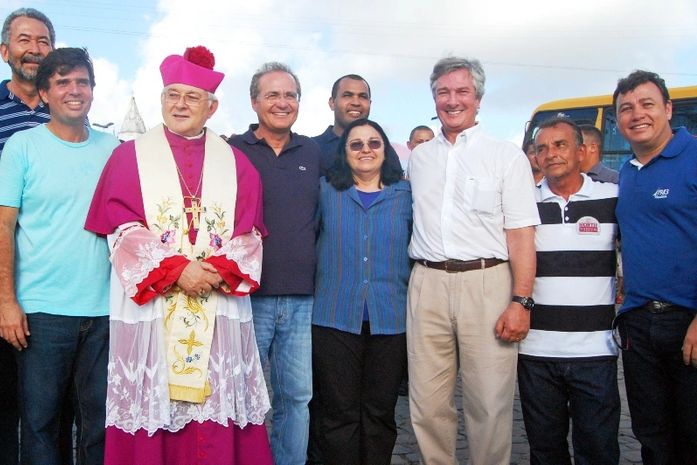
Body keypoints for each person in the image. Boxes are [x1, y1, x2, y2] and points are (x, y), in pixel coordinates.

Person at [84, 46, 272, 465]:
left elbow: (251, 235)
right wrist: (177, 271)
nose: (180, 104)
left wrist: (212, 272)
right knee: (152, 408)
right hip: (153, 309)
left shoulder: (237, 164)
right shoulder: (129, 157)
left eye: (191, 97)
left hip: (217, 301)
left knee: (215, 410)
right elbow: (121, 229)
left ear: (211, 106)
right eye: (172, 94)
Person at [407, 56, 539, 465]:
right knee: (428, 405)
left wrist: (521, 301)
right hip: (427, 283)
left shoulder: (505, 157)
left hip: (488, 284)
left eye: (462, 91)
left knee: (489, 404)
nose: (452, 100)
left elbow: (521, 236)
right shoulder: (420, 158)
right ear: (433, 98)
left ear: (478, 98)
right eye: (443, 92)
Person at [0, 47, 118, 465]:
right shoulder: (21, 147)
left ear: (92, 91)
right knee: (40, 426)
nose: (74, 90)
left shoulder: (115, 149)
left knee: (99, 426)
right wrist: (6, 302)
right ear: (45, 93)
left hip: (105, 312)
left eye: (82, 82)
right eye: (63, 82)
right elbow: (4, 227)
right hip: (41, 314)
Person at [229, 62, 320, 465]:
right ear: (254, 102)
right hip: (248, 298)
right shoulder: (232, 150)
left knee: (296, 398)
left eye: (290, 95)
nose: (282, 103)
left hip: (302, 298)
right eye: (272, 95)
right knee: (238, 395)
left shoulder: (314, 152)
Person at [518, 116, 620, 465]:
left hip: (595, 352)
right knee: (545, 453)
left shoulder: (613, 196)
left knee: (599, 450)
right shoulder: (522, 204)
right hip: (536, 352)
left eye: (560, 145)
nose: (550, 154)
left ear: (581, 151)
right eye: (541, 148)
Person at [312, 118, 411, 465]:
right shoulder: (325, 191)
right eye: (356, 144)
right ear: (344, 153)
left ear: (386, 151)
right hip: (334, 317)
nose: (366, 150)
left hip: (391, 319)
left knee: (380, 411)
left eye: (374, 143)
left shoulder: (407, 196)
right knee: (338, 412)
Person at [613, 70, 697, 465]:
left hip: (688, 322)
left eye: (647, 104)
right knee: (651, 432)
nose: (637, 115)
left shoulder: (694, 156)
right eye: (626, 108)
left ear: (667, 108)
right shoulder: (627, 173)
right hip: (638, 325)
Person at [0, 9, 55, 464]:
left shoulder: (68, 114)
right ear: (5, 51)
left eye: (43, 41)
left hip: (51, 282)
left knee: (50, 407)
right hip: (3, 275)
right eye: (24, 40)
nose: (34, 49)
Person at [313, 74, 371, 174]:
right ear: (332, 103)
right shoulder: (312, 149)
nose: (356, 103)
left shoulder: (382, 151)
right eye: (347, 95)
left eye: (363, 96)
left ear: (370, 103)